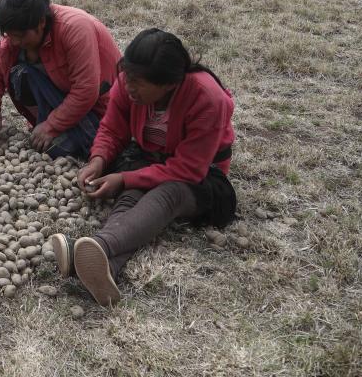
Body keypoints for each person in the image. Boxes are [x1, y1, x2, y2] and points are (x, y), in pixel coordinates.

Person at [51, 28, 237, 307]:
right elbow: (112, 128)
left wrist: (123, 178)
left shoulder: (207, 98)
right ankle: (106, 267)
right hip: (151, 157)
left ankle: (100, 246)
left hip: (200, 174)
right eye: (127, 77)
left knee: (167, 194)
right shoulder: (128, 84)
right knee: (133, 191)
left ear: (169, 84)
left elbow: (188, 169)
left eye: (138, 82)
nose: (129, 87)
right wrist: (98, 160)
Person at [0, 0, 121, 159]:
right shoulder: (15, 35)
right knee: (19, 74)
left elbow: (86, 91)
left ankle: (85, 134)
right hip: (62, 96)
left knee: (56, 150)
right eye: (10, 35)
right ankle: (49, 124)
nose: (14, 42)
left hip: (99, 107)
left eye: (21, 36)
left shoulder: (75, 28)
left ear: (41, 22)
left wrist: (51, 126)